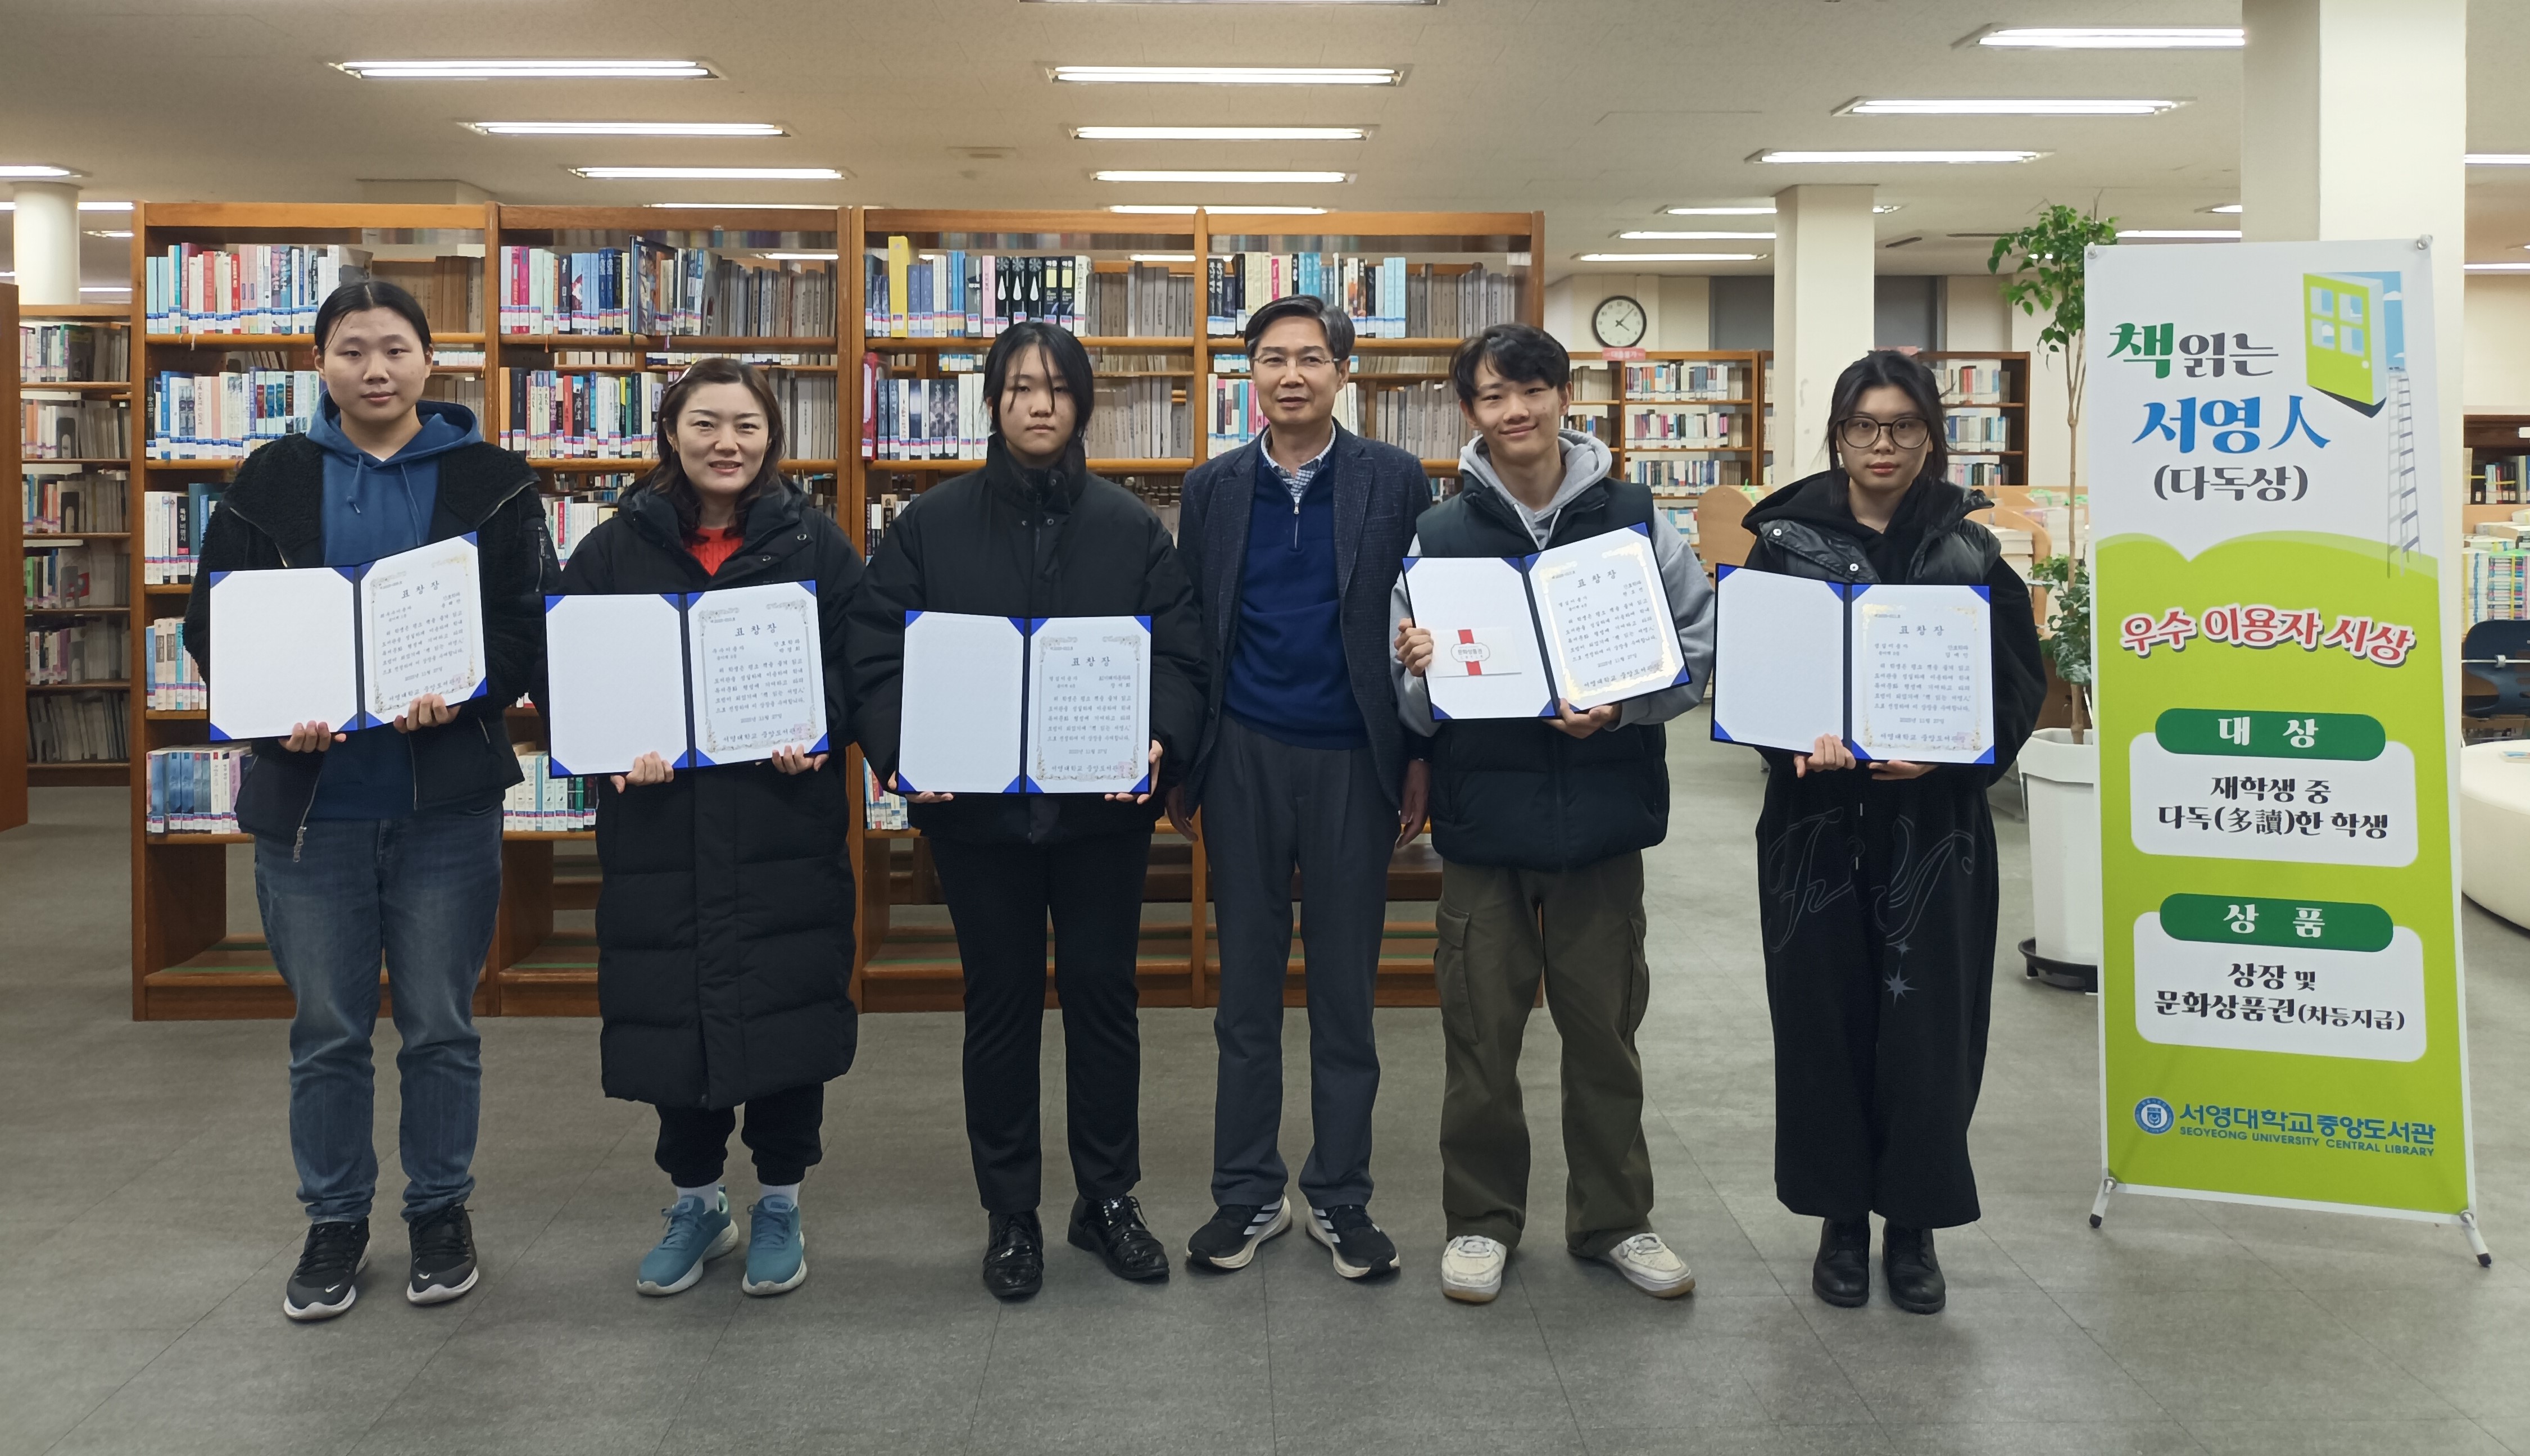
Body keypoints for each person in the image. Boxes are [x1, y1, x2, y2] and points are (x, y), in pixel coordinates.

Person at [181, 280, 547, 1321]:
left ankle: (440, 1212)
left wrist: (469, 690)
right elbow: (215, 627)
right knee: (328, 1031)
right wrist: (274, 719)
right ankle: (335, 1220)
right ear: (320, 363)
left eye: (394, 348)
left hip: (446, 802)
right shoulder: (270, 478)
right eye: (351, 351)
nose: (375, 370)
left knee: (440, 1025)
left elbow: (527, 622)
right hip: (314, 807)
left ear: (431, 360)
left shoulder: (493, 481)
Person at [849, 321, 1208, 1299]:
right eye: (1017, 388)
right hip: (978, 821)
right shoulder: (930, 525)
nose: (1037, 404)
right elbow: (876, 652)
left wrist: (1161, 739)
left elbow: (1180, 654)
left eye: (1054, 388)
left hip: (1101, 814)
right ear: (993, 404)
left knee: (1104, 1002)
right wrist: (900, 747)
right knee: (998, 1008)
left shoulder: (1129, 526)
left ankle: (1107, 1199)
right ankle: (1010, 1212)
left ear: (1081, 403)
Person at [1390, 323, 1713, 1305]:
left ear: (1563, 397)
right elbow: (1409, 699)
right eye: (1493, 395)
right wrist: (1416, 670)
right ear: (1469, 411)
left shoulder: (1633, 519)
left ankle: (1614, 1220)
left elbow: (1697, 647)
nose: (1515, 410)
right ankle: (1480, 1221)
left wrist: (1621, 707)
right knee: (1479, 1039)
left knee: (1605, 1036)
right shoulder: (1439, 534)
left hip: (1604, 819)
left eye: (1531, 389)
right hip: (1485, 823)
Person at [1734, 350, 2045, 1315]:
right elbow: (1753, 680)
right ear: (1836, 435)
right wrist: (1793, 741)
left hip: (1933, 832)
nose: (1883, 444)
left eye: (1903, 426)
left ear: (1930, 436)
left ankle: (1912, 1225)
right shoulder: (1782, 544)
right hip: (1815, 832)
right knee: (1823, 1021)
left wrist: (1944, 757)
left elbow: (2015, 689)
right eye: (1863, 425)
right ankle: (1839, 1221)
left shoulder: (1970, 550)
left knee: (1928, 1031)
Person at [556, 357, 862, 1299]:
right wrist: (611, 750)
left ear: (771, 438)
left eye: (746, 426)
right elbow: (565, 671)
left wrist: (820, 729)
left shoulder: (816, 543)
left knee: (785, 1010)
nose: (726, 444)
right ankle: (696, 1202)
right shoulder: (613, 549)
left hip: (781, 827)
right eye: (705, 424)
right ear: (669, 433)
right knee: (670, 1015)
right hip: (660, 833)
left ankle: (780, 1202)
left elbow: (864, 661)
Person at [1168, 295, 1430, 1280]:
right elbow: (1192, 628)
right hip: (1241, 754)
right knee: (1244, 992)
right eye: (1271, 358)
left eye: (1311, 358)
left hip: (1354, 757)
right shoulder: (1212, 487)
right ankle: (1245, 1194)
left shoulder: (1394, 479)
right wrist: (1186, 760)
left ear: (1341, 373)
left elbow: (1419, 623)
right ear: (1250, 375)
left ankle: (1340, 1195)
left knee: (1344, 992)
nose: (1290, 375)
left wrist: (1418, 755)